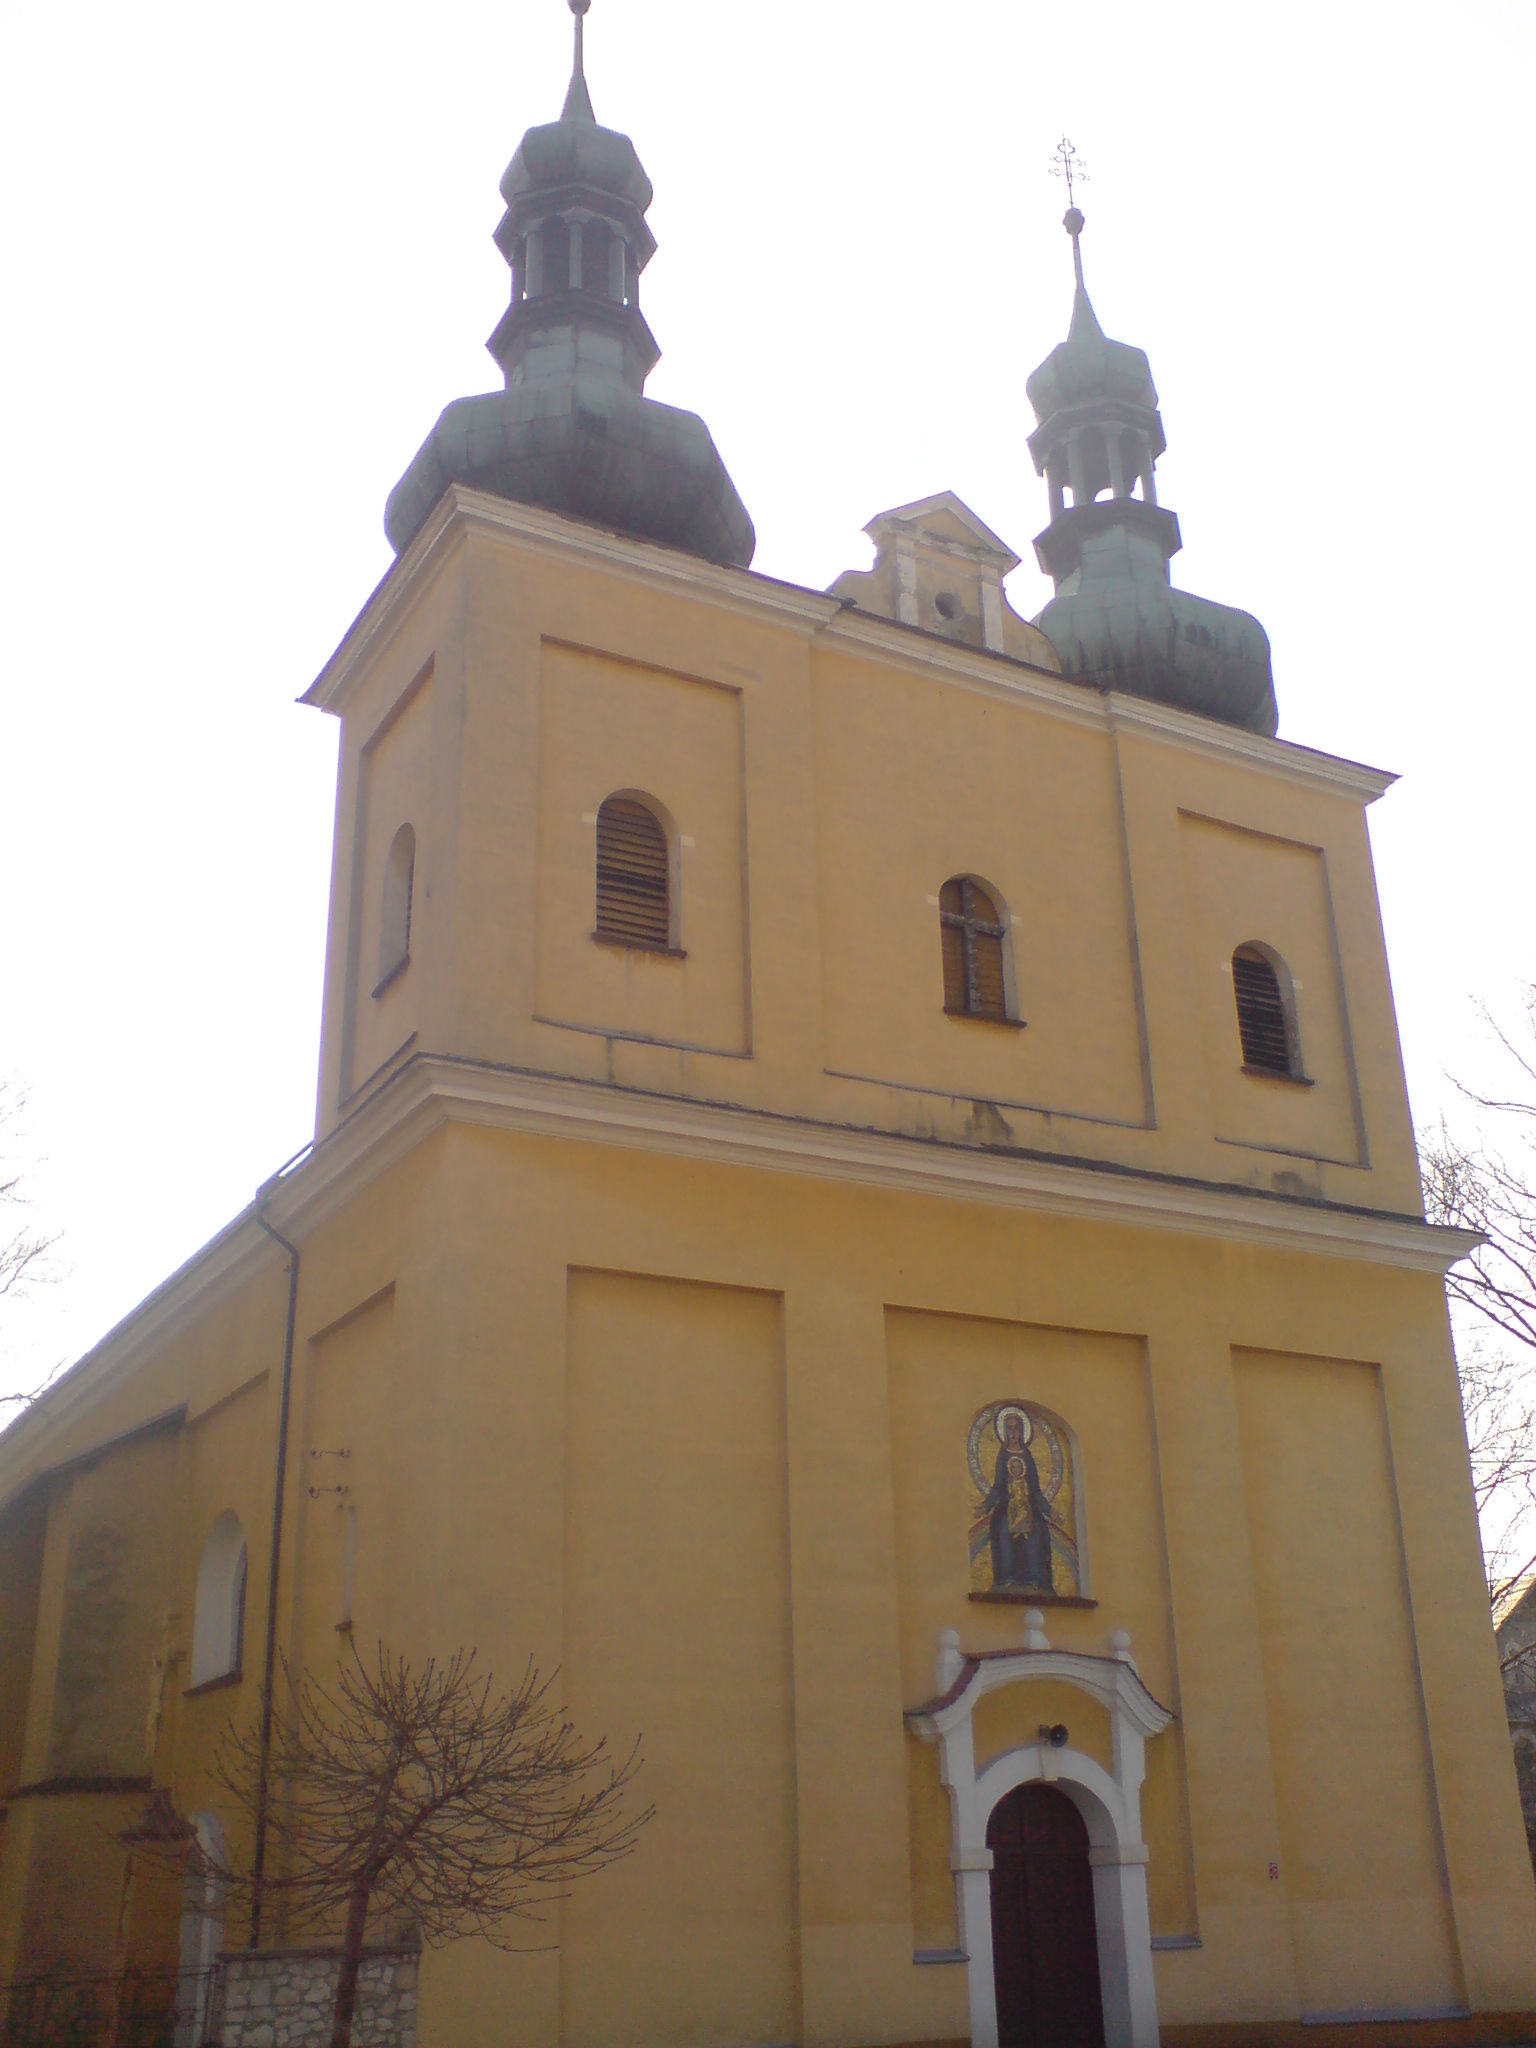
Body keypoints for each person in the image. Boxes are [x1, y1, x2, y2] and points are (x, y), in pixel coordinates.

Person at [980, 1408, 1053, 1592]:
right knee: (1002, 1528)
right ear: (1005, 1432)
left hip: (1029, 1506)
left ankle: (1034, 1581)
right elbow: (998, 1485)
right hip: (1006, 1505)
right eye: (1010, 1429)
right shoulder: (1003, 1454)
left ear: (1022, 1431)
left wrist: (1049, 1510)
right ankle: (1005, 1580)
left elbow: (1035, 1488)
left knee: (1037, 1530)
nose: (1013, 1433)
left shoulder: (1027, 1455)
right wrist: (986, 1506)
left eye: (1016, 1429)